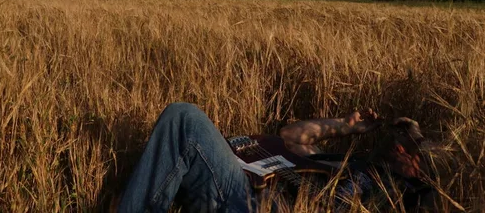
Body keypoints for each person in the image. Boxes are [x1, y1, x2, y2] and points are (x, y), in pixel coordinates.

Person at [118, 103, 433, 212]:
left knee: (184, 117)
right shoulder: (343, 164)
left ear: (421, 171)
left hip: (248, 205)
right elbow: (292, 137)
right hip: (237, 186)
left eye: (409, 147)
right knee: (181, 118)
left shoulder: (396, 195)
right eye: (398, 137)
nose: (400, 144)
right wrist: (345, 126)